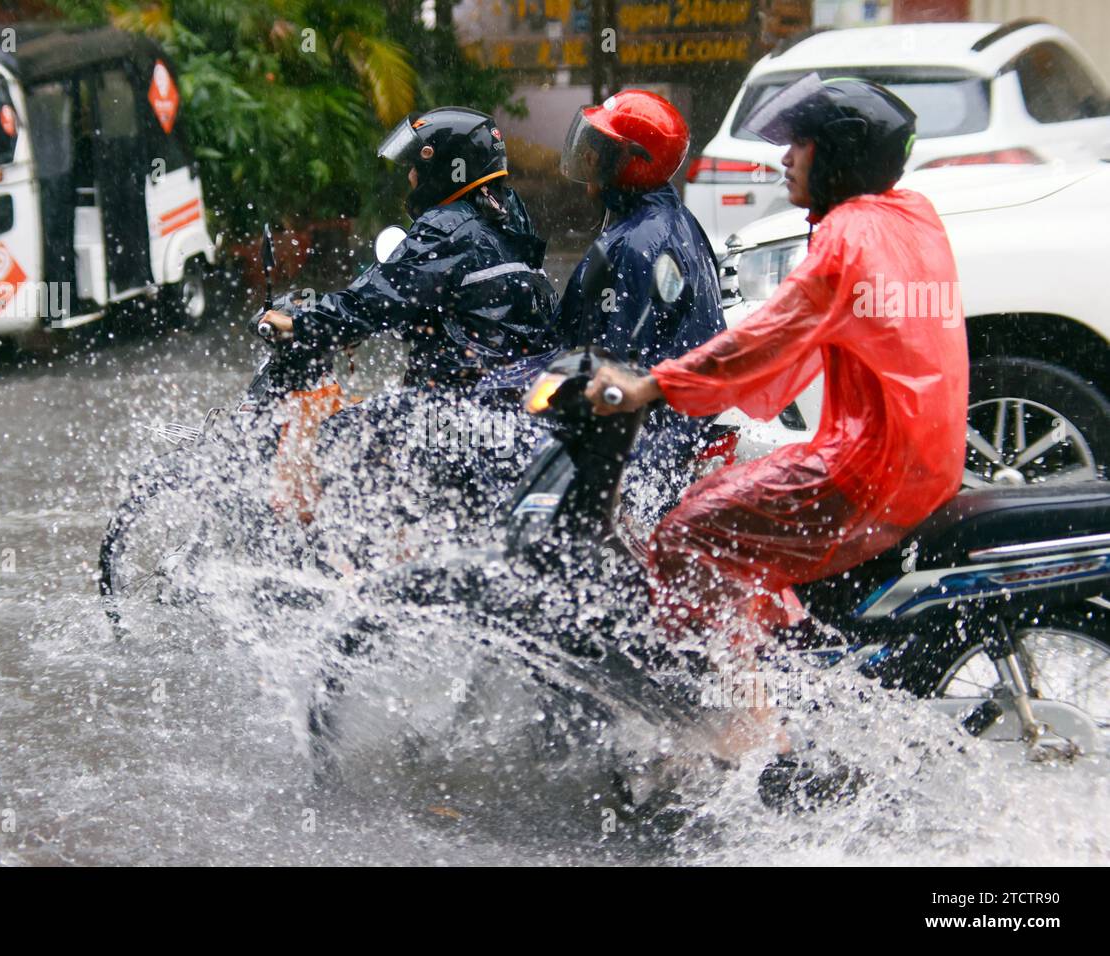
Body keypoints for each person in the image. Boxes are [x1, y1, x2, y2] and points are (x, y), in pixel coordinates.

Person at [584, 74, 968, 661]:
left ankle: (744, 722)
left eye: (801, 145)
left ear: (838, 154)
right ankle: (786, 655)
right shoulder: (911, 215)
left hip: (863, 465)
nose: (785, 159)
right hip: (924, 460)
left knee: (689, 532)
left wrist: (647, 386)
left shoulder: (847, 236)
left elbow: (763, 341)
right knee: (732, 505)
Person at [260, 107, 562, 560]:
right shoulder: (506, 219)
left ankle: (350, 564)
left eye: (418, 169)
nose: (412, 182)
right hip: (506, 402)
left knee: (338, 436)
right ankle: (399, 546)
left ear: (447, 169)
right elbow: (453, 301)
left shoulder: (448, 226)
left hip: (456, 408)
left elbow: (377, 297)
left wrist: (301, 322)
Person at [555, 90, 726, 524]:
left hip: (649, 445)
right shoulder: (676, 221)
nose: (588, 162)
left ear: (631, 163)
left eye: (599, 153)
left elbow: (614, 366)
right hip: (676, 430)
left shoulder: (633, 246)